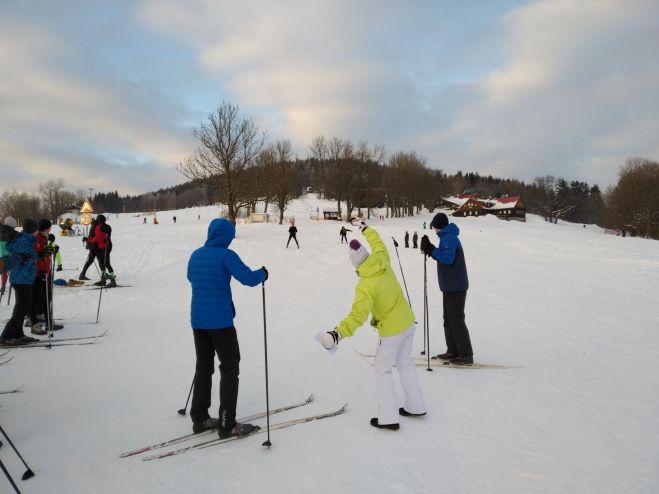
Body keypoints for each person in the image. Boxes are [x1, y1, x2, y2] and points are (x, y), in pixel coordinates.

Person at [319, 218, 426, 431]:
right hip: (407, 322)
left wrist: (337, 333)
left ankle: (388, 417)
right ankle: (416, 405)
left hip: (392, 331)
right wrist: (365, 228)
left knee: (382, 370)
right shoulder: (381, 259)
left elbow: (357, 315)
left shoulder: (365, 286)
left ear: (355, 265)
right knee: (405, 362)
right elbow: (378, 243)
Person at [186, 218, 268, 438]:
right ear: (226, 236)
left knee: (204, 366)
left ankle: (200, 418)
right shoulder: (226, 255)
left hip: (198, 322)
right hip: (220, 323)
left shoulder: (195, 255)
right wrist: (263, 273)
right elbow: (248, 278)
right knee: (230, 368)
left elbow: (190, 277)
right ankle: (226, 423)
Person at [420, 213, 473, 365]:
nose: (433, 229)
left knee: (456, 320)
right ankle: (453, 351)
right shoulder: (446, 237)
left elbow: (448, 259)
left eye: (434, 226)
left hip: (456, 286)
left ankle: (465, 355)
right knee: (448, 320)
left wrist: (432, 250)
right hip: (449, 286)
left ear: (439, 226)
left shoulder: (449, 238)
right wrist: (432, 249)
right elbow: (444, 255)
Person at [0, 219, 40, 345]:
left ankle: (18, 334)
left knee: (21, 308)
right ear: (33, 230)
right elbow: (21, 256)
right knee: (22, 309)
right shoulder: (24, 241)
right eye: (36, 229)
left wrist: (40, 254)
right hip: (21, 279)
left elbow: (29, 256)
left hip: (23, 278)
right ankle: (6, 336)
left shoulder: (26, 239)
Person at [86, 215, 117, 287]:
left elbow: (97, 238)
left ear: (98, 220)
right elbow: (105, 235)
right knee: (103, 263)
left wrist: (88, 240)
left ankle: (113, 281)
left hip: (105, 247)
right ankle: (103, 280)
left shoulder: (98, 227)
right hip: (108, 246)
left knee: (106, 263)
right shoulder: (108, 226)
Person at [0, 217, 17, 299]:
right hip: (9, 254)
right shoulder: (13, 233)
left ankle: (3, 285)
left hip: (1, 254)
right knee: (12, 270)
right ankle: (13, 284)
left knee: (3, 271)